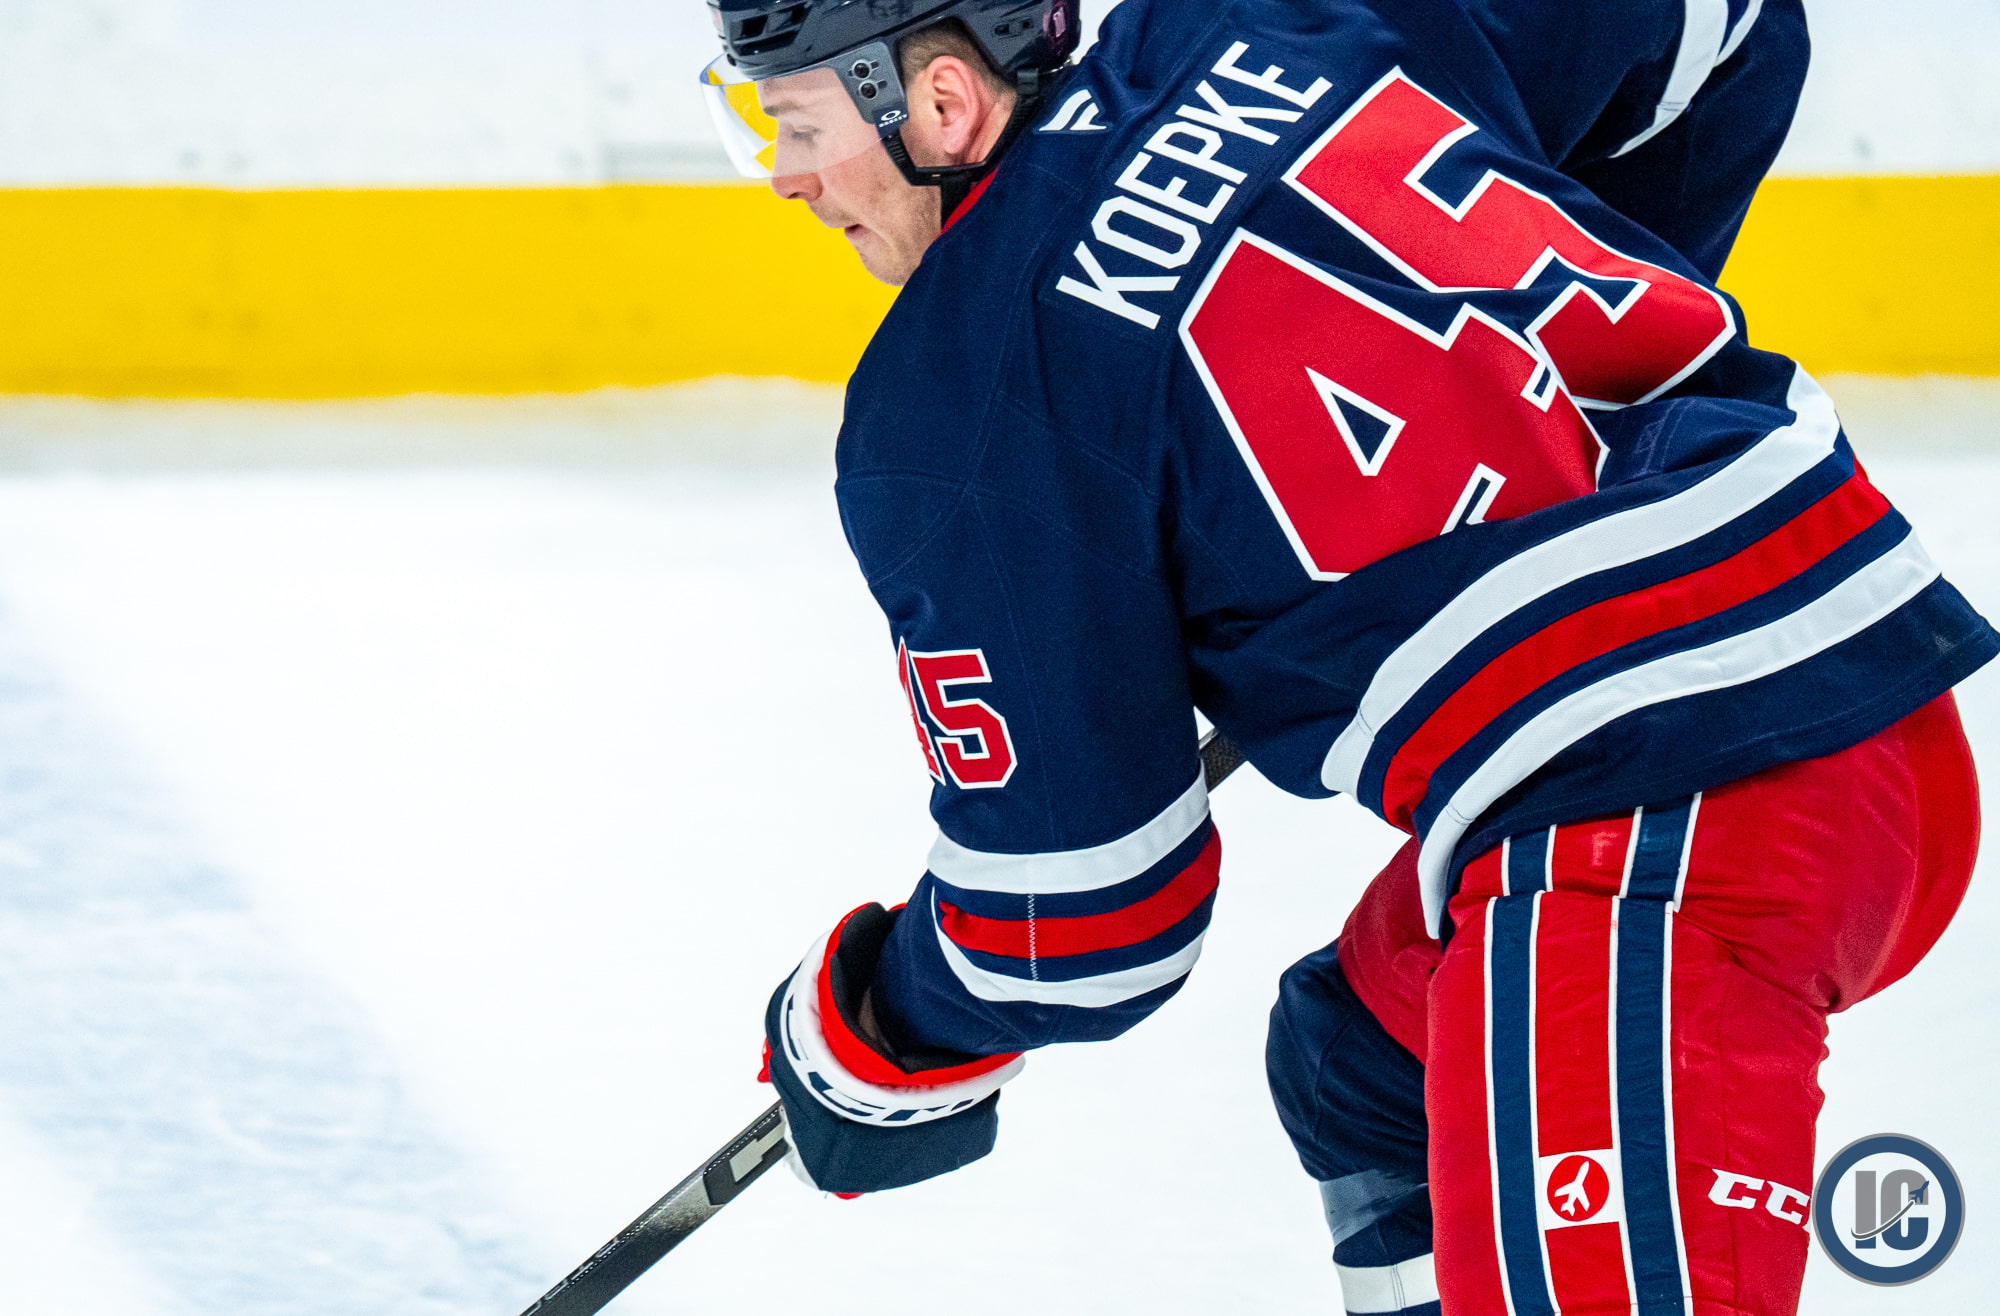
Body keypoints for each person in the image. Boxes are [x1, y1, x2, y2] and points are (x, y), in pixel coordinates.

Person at [701, 1, 1993, 1311]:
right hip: (1862, 672)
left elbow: (1083, 922)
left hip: (1657, 829)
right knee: (1368, 1072)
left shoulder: (956, 401)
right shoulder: (1256, 18)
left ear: (939, 103)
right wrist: (1548, 371)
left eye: (797, 124)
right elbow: (1728, 27)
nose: (787, 180)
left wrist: (886, 1027)